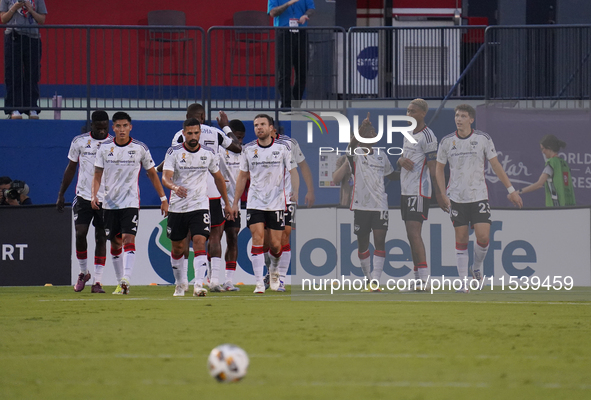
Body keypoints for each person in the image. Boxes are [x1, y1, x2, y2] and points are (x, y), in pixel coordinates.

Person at [436, 104, 523, 293]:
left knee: (483, 237)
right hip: (457, 197)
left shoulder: (482, 139)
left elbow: (496, 164)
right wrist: (442, 194)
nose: (459, 119)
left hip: (479, 196)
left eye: (463, 116)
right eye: (457, 115)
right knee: (461, 238)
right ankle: (463, 283)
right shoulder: (446, 142)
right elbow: (439, 168)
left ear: (471, 119)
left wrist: (511, 189)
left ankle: (476, 267)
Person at [158, 103, 241, 292]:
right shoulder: (214, 133)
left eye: (196, 133)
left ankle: (198, 284)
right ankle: (196, 282)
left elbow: (218, 176)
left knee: (199, 240)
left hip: (202, 200)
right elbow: (237, 147)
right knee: (189, 244)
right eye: (191, 133)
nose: (195, 135)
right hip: (184, 202)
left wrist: (156, 169)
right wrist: (226, 127)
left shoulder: (190, 143)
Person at [91, 112, 168, 295]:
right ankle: (120, 283)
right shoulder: (104, 148)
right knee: (115, 244)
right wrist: (95, 195)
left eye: (125, 126)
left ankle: (126, 279)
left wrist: (163, 199)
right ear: (113, 128)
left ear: (130, 127)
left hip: (131, 202)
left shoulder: (140, 148)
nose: (122, 129)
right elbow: (97, 174)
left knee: (128, 239)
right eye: (118, 126)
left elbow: (152, 174)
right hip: (109, 203)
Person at [231, 114, 298, 293]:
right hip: (255, 202)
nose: (258, 128)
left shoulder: (284, 149)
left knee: (276, 245)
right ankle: (259, 283)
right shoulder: (248, 149)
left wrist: (295, 192)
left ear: (271, 128)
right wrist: (235, 202)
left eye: (262, 124)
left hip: (277, 203)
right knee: (258, 239)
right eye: (255, 125)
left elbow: (293, 171)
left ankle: (274, 273)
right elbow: (242, 176)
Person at [57, 111, 111, 293]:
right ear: (92, 125)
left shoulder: (113, 144)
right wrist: (61, 193)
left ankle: (97, 281)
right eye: (99, 127)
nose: (103, 131)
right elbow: (71, 168)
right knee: (80, 233)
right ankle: (83, 272)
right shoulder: (79, 142)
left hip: (106, 199)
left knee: (101, 237)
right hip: (83, 197)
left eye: (105, 128)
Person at [347, 113, 399, 290]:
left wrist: (408, 169)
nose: (374, 135)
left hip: (380, 206)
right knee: (362, 244)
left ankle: (375, 280)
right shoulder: (356, 154)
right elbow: (350, 145)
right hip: (361, 206)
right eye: (371, 132)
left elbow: (391, 175)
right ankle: (368, 277)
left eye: (375, 132)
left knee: (380, 240)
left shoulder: (382, 155)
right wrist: (361, 128)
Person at [397, 99, 445, 290]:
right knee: (410, 234)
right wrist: (400, 160)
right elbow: (404, 156)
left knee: (414, 232)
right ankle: (418, 278)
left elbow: (434, 169)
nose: (409, 115)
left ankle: (425, 279)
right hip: (405, 190)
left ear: (423, 113)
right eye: (408, 111)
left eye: (413, 111)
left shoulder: (428, 136)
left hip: (419, 191)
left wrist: (440, 194)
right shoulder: (408, 133)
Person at [264, 122, 314, 291]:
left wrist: (309, 190)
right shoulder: (255, 147)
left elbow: (303, 166)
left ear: (273, 129)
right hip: (265, 200)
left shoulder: (289, 144)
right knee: (267, 241)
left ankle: (280, 279)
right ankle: (271, 271)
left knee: (285, 235)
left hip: (287, 197)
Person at [0, 0, 47, 120]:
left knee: (32, 73)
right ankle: (13, 108)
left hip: (33, 38)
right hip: (13, 37)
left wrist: (30, 9)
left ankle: (32, 108)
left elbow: (42, 20)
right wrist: (14, 7)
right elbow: (3, 19)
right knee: (13, 73)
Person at [268, 0, 315, 110]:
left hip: (301, 32)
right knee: (284, 71)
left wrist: (305, 15)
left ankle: (296, 101)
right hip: (283, 32)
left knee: (302, 70)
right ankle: (286, 105)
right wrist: (289, 3)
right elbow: (273, 13)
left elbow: (311, 9)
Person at [218, 119, 246, 291]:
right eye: (238, 137)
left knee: (233, 237)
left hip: (235, 204)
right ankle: (211, 277)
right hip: (217, 202)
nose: (240, 142)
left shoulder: (244, 153)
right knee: (215, 238)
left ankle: (229, 281)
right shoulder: (219, 150)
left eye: (242, 138)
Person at [516, 134, 575, 207]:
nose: (542, 152)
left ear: (549, 148)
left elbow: (539, 184)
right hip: (569, 205)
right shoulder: (563, 163)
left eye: (542, 148)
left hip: (556, 206)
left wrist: (518, 192)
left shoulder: (551, 163)